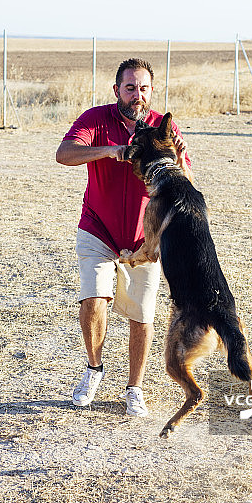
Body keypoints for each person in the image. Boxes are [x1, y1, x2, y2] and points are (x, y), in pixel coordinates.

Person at [56, 57, 191, 417]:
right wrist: (109, 150)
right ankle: (93, 369)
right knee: (94, 299)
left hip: (146, 239)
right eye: (130, 88)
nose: (137, 95)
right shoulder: (95, 120)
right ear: (117, 90)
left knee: (142, 314)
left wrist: (178, 156)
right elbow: (63, 154)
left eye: (143, 88)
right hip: (97, 228)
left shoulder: (163, 128)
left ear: (151, 90)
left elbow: (185, 181)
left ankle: (135, 388)